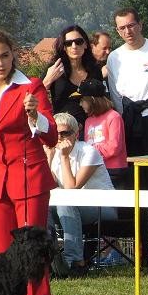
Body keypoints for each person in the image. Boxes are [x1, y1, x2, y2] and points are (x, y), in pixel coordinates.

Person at [0, 28, 58, 295]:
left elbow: (51, 137)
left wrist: (35, 117)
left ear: (13, 54)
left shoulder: (29, 87)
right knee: (1, 265)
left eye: (4, 55)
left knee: (32, 260)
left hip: (28, 178)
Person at [106, 7, 148, 266]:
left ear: (140, 24)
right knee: (137, 192)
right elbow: (115, 95)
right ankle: (143, 254)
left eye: (131, 25)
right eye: (122, 28)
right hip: (130, 126)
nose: (128, 31)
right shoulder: (114, 57)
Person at [47, 112, 117, 275]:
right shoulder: (54, 152)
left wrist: (64, 158)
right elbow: (47, 186)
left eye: (65, 133)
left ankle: (75, 261)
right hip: (72, 206)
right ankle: (51, 260)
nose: (60, 138)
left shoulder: (88, 151)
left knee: (65, 204)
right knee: (42, 208)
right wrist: (48, 159)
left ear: (76, 134)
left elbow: (72, 190)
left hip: (103, 206)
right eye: (56, 133)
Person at [42, 25, 103, 128]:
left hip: (93, 128)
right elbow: (35, 95)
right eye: (68, 43)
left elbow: (102, 99)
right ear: (64, 47)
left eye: (78, 41)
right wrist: (48, 80)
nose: (74, 46)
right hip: (64, 130)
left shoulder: (95, 69)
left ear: (85, 45)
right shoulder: (55, 68)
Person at [78, 78, 128, 189]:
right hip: (94, 168)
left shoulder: (114, 116)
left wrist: (90, 151)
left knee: (113, 204)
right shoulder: (88, 120)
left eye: (82, 100)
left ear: (92, 100)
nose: (80, 104)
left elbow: (114, 147)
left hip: (114, 170)